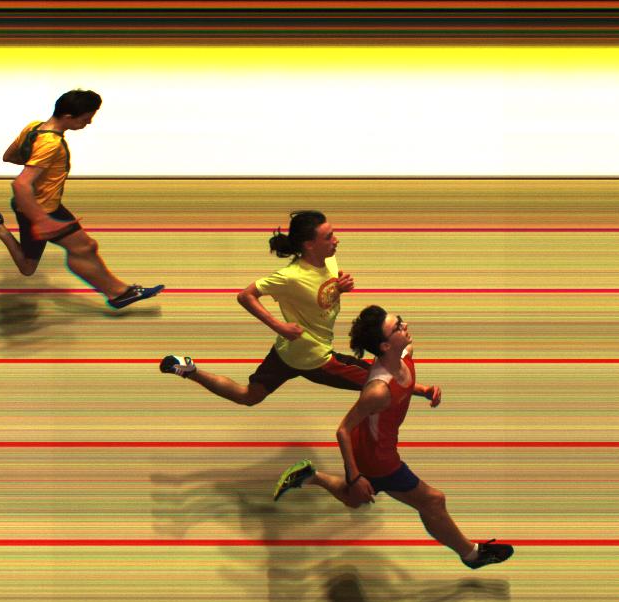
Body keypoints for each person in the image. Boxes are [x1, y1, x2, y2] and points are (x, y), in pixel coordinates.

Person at [272, 305, 514, 569]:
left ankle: (310, 476)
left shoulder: (405, 355)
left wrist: (423, 390)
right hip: (379, 459)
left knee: (354, 499)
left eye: (400, 321)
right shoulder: (377, 390)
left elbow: (403, 385)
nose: (405, 326)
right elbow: (343, 430)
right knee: (433, 500)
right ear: (385, 346)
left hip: (375, 447)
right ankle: (472, 555)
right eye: (397, 327)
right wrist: (356, 475)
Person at [159, 210, 441, 405]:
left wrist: (340, 287)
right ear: (309, 245)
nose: (336, 240)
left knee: (249, 396)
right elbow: (245, 296)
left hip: (287, 352)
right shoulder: (290, 276)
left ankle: (189, 370)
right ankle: (423, 391)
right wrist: (279, 325)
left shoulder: (329, 260)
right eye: (328, 237)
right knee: (378, 378)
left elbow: (322, 291)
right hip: (316, 357)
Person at [0, 89, 164, 309]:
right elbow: (20, 184)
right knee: (83, 248)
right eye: (85, 119)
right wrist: (42, 221)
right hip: (40, 210)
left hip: (41, 206)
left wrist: (37, 164)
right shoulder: (51, 144)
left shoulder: (34, 128)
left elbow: (9, 156)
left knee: (29, 267)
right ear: (68, 117)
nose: (89, 123)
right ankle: (119, 294)